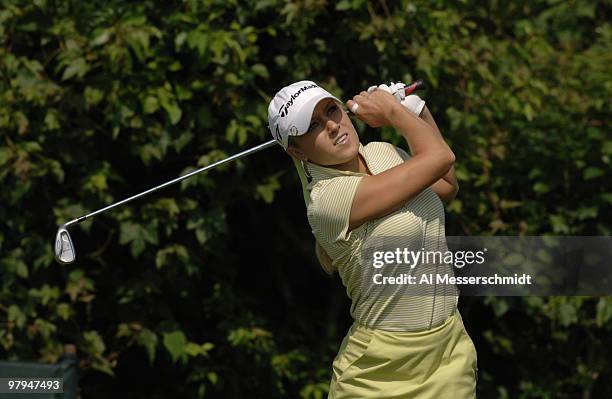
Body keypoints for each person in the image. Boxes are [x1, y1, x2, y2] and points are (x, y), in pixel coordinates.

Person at [268, 80, 478, 398]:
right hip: (379, 373)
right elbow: (439, 158)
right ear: (297, 151)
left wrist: (417, 111)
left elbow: (446, 183)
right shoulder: (326, 202)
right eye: (312, 126)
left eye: (331, 111)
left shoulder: (382, 151)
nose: (332, 126)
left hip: (448, 356)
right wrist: (393, 112)